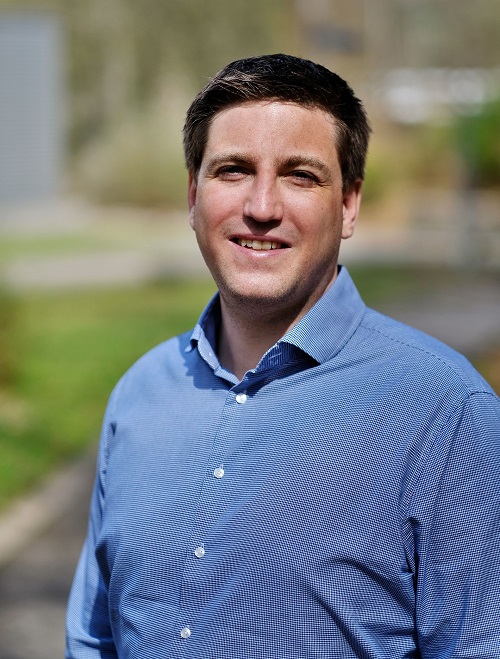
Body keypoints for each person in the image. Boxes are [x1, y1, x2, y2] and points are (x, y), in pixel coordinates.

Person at [66, 54, 500, 658]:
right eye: (233, 170)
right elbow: (94, 639)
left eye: (300, 176)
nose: (262, 207)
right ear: (193, 195)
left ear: (348, 204)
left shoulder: (446, 412)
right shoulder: (141, 395)